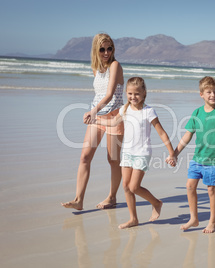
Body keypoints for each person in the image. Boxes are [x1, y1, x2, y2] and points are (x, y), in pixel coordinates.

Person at [92, 77, 176, 229]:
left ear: (144, 93)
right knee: (125, 186)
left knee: (134, 187)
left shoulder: (149, 111)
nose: (133, 97)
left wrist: (172, 153)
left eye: (136, 94)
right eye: (130, 94)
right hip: (127, 153)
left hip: (142, 153)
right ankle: (133, 219)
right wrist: (95, 120)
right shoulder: (125, 109)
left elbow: (162, 133)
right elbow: (112, 122)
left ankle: (156, 202)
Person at [62, 33, 125, 210]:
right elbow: (98, 93)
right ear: (96, 50)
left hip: (114, 117)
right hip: (98, 118)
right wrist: (94, 112)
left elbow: (110, 93)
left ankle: (112, 197)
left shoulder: (115, 65)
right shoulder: (96, 68)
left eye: (109, 48)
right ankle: (78, 200)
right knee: (85, 157)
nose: (106, 52)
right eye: (102, 49)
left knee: (112, 160)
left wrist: (92, 110)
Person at [170, 76, 215, 233]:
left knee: (212, 190)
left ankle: (212, 221)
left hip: (214, 160)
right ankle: (194, 218)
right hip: (198, 159)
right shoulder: (197, 113)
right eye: (209, 92)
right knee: (190, 186)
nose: (213, 95)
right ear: (201, 94)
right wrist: (175, 153)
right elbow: (187, 136)